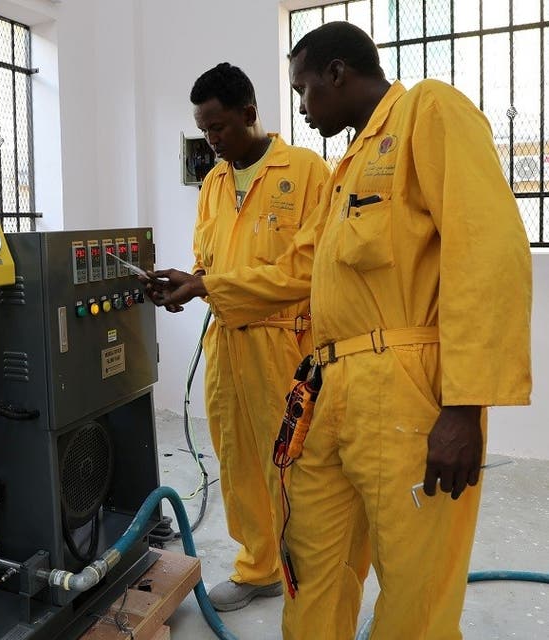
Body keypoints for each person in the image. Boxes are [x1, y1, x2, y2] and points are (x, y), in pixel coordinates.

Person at [146, 22, 532, 639]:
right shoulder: (349, 165)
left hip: (402, 391)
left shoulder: (427, 112)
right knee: (311, 558)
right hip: (327, 386)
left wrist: (463, 407)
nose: (300, 107)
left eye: (304, 90)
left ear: (336, 74)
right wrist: (208, 286)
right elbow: (302, 269)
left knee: (413, 583)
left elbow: (489, 254)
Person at [173, 62, 331, 611]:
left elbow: (306, 271)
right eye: (203, 127)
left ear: (249, 113)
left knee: (292, 462)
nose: (211, 139)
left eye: (219, 126)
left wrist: (205, 284)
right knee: (236, 459)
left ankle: (310, 576)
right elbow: (206, 259)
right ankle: (259, 566)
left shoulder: (308, 172)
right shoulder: (215, 182)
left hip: (284, 344)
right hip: (225, 342)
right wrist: (185, 285)